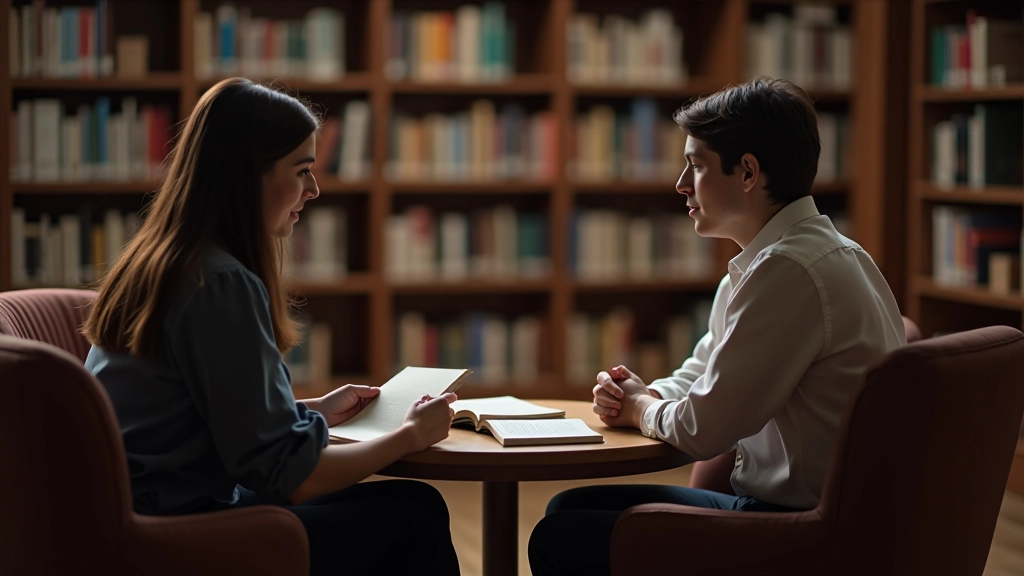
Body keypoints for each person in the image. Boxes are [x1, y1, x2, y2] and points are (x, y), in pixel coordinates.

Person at [82, 78, 461, 576]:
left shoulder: (161, 259)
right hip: (179, 534)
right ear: (248, 176)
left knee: (398, 507)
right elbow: (291, 477)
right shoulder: (220, 282)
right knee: (416, 513)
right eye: (302, 170)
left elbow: (195, 415)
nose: (314, 189)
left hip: (133, 517)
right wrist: (408, 436)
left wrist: (309, 412)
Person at [528, 77, 906, 576]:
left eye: (697, 165)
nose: (681, 184)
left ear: (748, 172)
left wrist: (641, 409)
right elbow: (704, 372)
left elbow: (704, 429)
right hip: (811, 516)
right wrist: (642, 394)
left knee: (562, 535)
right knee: (568, 509)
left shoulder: (790, 271)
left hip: (802, 532)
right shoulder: (796, 257)